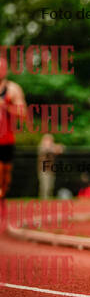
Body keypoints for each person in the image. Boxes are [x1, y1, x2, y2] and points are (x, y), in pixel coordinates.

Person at [0, 58, 27, 198]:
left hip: (6, 138)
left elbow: (23, 113)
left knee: (5, 174)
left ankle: (2, 195)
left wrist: (6, 106)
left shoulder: (13, 89)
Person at [37, 134, 64, 199]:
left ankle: (48, 199)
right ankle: (44, 199)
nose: (50, 142)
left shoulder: (51, 148)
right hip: (43, 170)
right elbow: (47, 149)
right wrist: (54, 146)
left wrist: (56, 147)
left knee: (50, 187)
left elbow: (61, 150)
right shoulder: (42, 147)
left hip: (51, 170)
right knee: (45, 187)